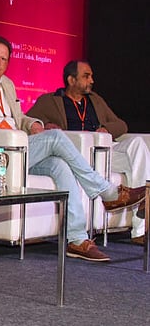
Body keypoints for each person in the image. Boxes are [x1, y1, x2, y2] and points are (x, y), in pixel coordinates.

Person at [0, 36, 145, 262]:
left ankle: (76, 239)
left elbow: (17, 119)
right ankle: (107, 192)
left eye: (3, 58)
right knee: (56, 137)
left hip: (19, 149)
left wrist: (34, 123)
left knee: (60, 165)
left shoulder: (7, 84)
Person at [27, 60, 148, 243]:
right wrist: (45, 125)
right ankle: (109, 195)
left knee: (137, 144)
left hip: (102, 152)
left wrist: (106, 129)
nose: (91, 80)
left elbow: (121, 124)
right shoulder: (49, 101)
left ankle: (140, 227)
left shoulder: (95, 100)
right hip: (76, 153)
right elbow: (28, 122)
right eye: (86, 76)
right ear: (71, 80)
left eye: (91, 76)